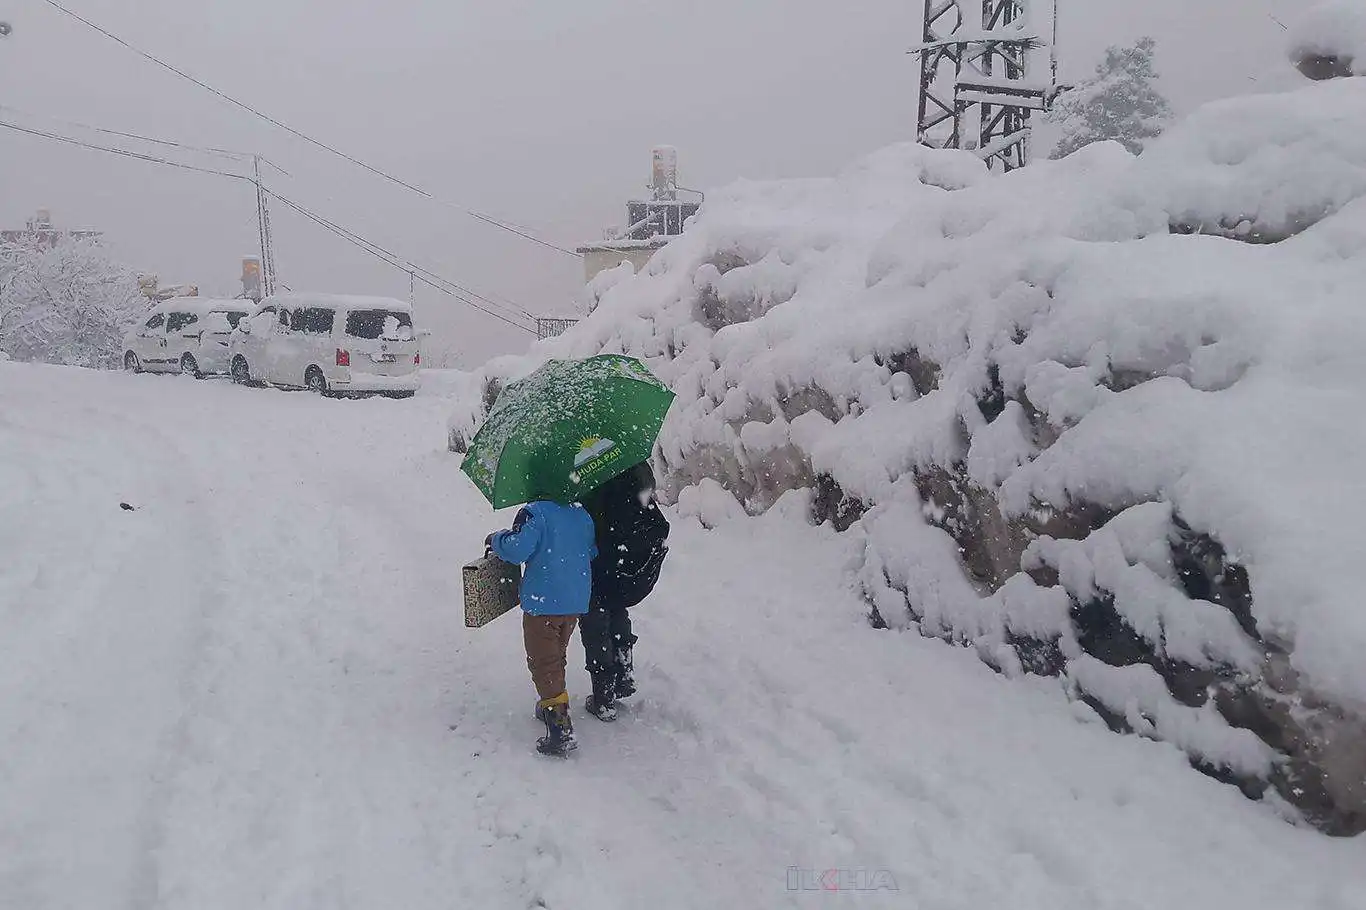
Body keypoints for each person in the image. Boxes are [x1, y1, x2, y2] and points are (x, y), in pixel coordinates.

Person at [488, 499, 597, 756]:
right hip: (574, 600)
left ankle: (560, 729)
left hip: (544, 602)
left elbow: (517, 550)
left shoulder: (535, 513)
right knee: (556, 653)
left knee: (543, 661)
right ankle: (551, 702)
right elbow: (590, 551)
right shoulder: (581, 513)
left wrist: (497, 539)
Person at [579, 461, 670, 722]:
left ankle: (604, 695)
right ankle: (623, 671)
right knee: (616, 604)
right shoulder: (626, 455)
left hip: (602, 550)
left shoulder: (584, 464)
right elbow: (646, 489)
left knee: (595, 617)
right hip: (629, 553)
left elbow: (587, 514)